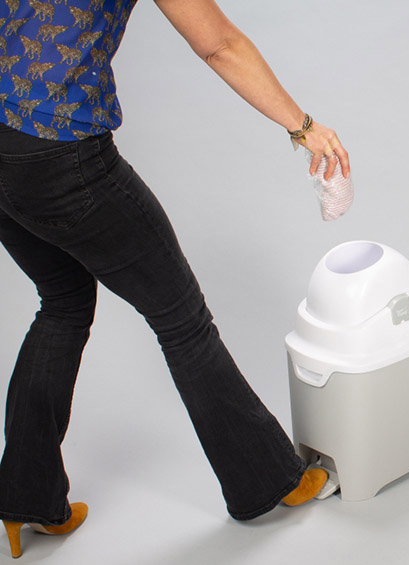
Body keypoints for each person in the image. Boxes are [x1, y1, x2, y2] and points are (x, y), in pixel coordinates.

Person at [0, 0, 350, 558]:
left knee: (63, 301)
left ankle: (25, 498)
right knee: (181, 319)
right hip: (58, 150)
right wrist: (302, 126)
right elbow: (219, 44)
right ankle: (269, 482)